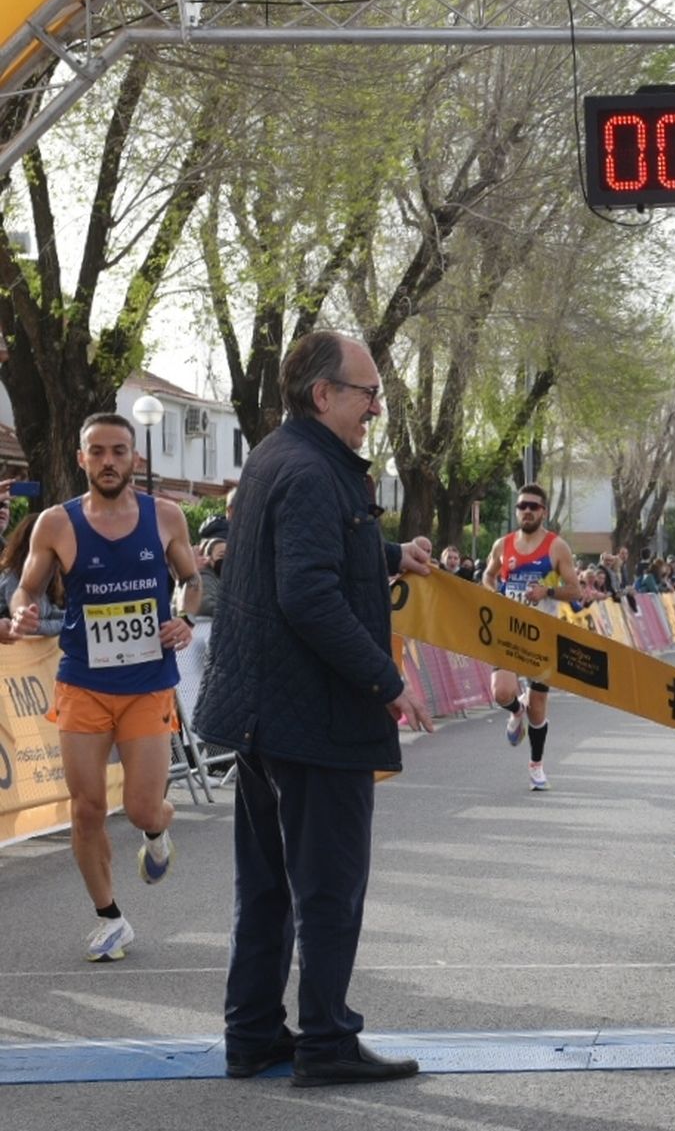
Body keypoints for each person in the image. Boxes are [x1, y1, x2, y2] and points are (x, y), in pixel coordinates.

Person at [192, 331, 435, 1087]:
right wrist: (386, 681)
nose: (376, 407)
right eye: (368, 393)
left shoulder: (280, 455)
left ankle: (253, 1035)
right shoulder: (311, 470)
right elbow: (307, 594)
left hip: (266, 715)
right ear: (324, 394)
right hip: (313, 719)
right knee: (328, 890)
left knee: (266, 887)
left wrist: (392, 556)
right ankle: (327, 1041)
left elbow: (299, 556)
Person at [9, 413, 200, 963]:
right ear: (81, 459)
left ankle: (158, 829)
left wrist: (185, 618)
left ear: (134, 458)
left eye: (119, 451)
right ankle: (110, 918)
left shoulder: (165, 516)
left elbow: (191, 580)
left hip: (147, 684)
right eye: (98, 451)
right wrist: (21, 612)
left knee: (141, 809)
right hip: (83, 683)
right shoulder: (56, 524)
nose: (109, 461)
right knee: (87, 807)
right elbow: (25, 589)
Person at [482, 482, 580, 791]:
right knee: (501, 692)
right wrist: (494, 593)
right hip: (507, 631)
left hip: (541, 636)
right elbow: (488, 575)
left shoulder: (556, 547)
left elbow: (575, 590)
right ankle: (515, 710)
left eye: (533, 507)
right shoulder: (502, 545)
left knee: (538, 708)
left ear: (543, 512)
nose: (527, 511)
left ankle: (536, 765)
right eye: (522, 506)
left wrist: (546, 592)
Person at [0, 511, 66, 636]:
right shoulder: (13, 578)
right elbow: (29, 627)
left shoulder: (44, 579)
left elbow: (50, 614)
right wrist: (68, 625)